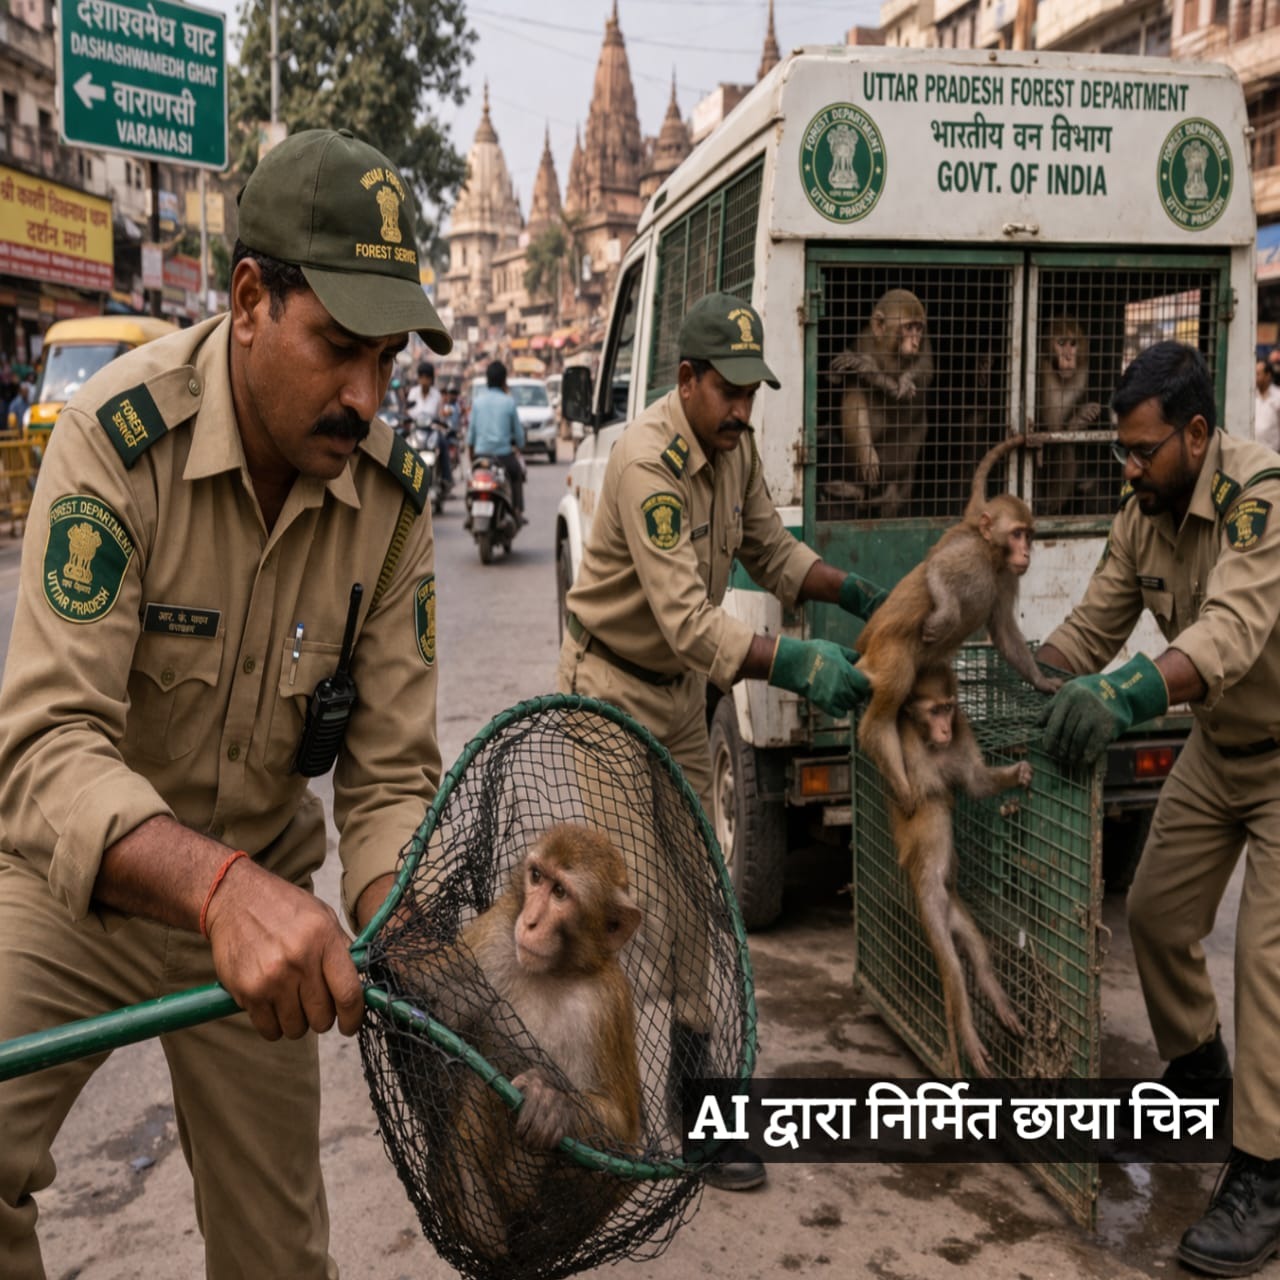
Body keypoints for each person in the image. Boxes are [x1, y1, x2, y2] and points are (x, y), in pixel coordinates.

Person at [0, 128, 450, 1278]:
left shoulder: (391, 504)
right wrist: (214, 888)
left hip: (265, 913)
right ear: (249, 300)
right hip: (82, 885)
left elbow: (390, 778)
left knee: (279, 1255)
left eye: (387, 359)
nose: (365, 397)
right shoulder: (114, 441)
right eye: (338, 348)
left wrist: (405, 927)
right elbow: (48, 746)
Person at [556, 290, 886, 1192]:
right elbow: (688, 622)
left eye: (752, 392)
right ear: (688, 379)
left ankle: (696, 1095)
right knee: (631, 899)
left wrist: (853, 590)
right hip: (611, 689)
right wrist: (798, 664)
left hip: (678, 698)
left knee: (700, 888)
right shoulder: (646, 462)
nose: (744, 409)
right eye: (730, 391)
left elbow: (772, 551)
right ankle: (596, 1090)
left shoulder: (733, 451)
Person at [1036, 341, 1280, 1278]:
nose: (1129, 469)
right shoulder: (1143, 513)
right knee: (1155, 911)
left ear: (1198, 434)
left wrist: (1126, 695)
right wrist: (1021, 684)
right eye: (1122, 451)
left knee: (1264, 959)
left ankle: (1264, 1171)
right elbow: (1091, 626)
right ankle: (1201, 1072)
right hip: (1220, 748)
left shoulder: (1260, 498)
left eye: (1143, 451)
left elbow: (1229, 632)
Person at [467, 359, 525, 522]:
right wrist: (519, 446)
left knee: (471, 479)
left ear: (487, 380)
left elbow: (470, 437)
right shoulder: (509, 402)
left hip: (481, 456)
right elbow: (519, 437)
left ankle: (470, 511)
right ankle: (517, 510)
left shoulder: (477, 403)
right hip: (503, 457)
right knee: (517, 474)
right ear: (504, 381)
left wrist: (473, 459)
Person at [1255, 359, 1280, 453]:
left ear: (1268, 376)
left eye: (1258, 374)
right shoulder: (1251, 395)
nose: (1255, 377)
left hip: (1273, 452)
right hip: (1254, 451)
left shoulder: (1278, 396)